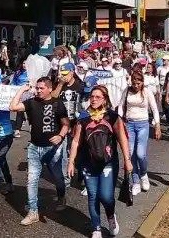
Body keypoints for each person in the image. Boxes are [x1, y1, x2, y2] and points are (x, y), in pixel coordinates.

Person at [67, 86, 133, 238]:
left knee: (106, 196)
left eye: (98, 97)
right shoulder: (83, 117)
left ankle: (110, 216)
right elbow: (76, 141)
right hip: (88, 162)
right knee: (92, 195)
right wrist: (71, 162)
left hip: (108, 162)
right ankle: (96, 227)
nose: (94, 99)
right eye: (92, 96)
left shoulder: (112, 116)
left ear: (105, 99)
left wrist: (127, 160)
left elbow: (122, 138)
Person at [9, 77, 70, 226]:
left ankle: (61, 196)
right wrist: (22, 90)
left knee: (58, 178)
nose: (38, 90)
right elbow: (13, 107)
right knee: (32, 180)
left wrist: (61, 136)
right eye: (37, 88)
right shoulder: (31, 102)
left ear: (49, 89)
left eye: (41, 88)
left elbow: (66, 124)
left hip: (53, 149)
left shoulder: (57, 103)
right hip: (34, 148)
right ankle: (33, 211)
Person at [118, 71, 161, 196]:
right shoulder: (126, 91)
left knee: (140, 154)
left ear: (142, 82)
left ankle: (143, 174)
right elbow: (121, 106)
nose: (136, 86)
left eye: (138, 83)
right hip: (129, 124)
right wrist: (120, 118)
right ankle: (135, 181)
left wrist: (157, 125)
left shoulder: (147, 92)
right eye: (134, 83)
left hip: (143, 124)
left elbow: (154, 109)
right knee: (131, 154)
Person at [51, 63, 85, 187]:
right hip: (63, 123)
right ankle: (66, 179)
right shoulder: (60, 84)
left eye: (66, 74)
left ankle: (81, 174)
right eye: (62, 74)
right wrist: (60, 84)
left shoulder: (80, 85)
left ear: (72, 72)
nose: (64, 77)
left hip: (77, 123)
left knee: (77, 150)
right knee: (64, 152)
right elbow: (53, 97)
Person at [11, 61, 29, 138]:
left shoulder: (32, 72)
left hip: (29, 94)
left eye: (26, 63)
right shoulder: (18, 72)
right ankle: (17, 129)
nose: (24, 65)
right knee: (19, 111)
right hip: (20, 94)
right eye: (23, 63)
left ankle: (32, 128)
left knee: (30, 112)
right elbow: (13, 82)